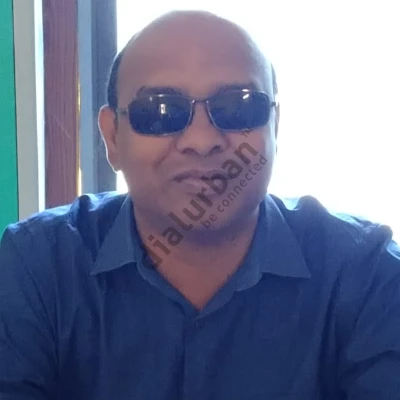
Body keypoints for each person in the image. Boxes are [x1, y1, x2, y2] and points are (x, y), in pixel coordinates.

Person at [1, 9, 399, 400]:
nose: (202, 140)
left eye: (238, 107)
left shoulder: (366, 275)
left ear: (274, 127)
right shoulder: (37, 268)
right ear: (113, 138)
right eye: (160, 111)